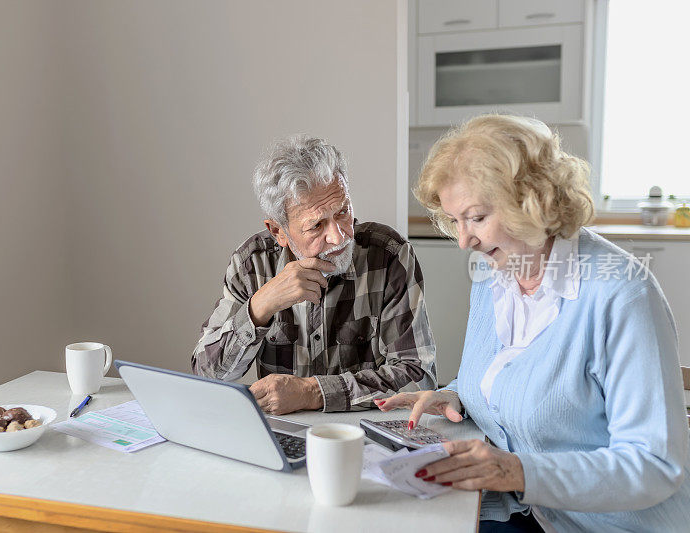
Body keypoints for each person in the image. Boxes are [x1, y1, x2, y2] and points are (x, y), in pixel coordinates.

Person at [377, 114, 690, 532]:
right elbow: (515, 374)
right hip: (525, 513)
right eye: (455, 221)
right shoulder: (492, 273)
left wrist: (519, 472)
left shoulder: (623, 295)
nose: (464, 240)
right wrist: (456, 394)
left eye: (476, 217)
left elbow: (654, 465)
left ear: (531, 200)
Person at [192, 135, 436, 414]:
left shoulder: (389, 256)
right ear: (278, 231)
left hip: (362, 436)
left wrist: (312, 393)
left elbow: (418, 379)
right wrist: (260, 307)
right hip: (284, 434)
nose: (338, 236)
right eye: (317, 225)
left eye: (343, 211)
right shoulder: (252, 265)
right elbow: (207, 375)